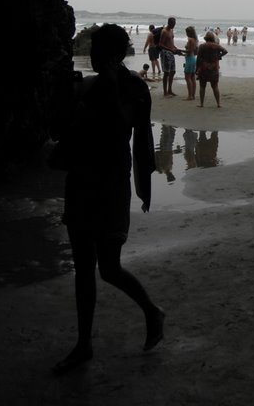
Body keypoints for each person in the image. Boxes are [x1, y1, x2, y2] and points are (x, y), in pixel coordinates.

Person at [50, 23, 164, 375]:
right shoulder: (84, 85)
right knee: (84, 268)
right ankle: (84, 344)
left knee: (109, 267)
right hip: (82, 181)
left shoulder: (133, 89)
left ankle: (151, 311)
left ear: (113, 54)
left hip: (112, 184)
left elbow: (140, 137)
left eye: (97, 50)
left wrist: (144, 187)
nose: (92, 56)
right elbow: (60, 129)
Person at [196, 31, 228, 107]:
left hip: (204, 68)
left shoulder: (202, 46)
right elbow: (225, 51)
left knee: (202, 86)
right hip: (214, 68)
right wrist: (218, 56)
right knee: (215, 86)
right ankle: (218, 104)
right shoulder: (216, 46)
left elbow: (198, 59)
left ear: (206, 38)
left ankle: (201, 104)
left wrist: (197, 69)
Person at [158, 17, 184, 97]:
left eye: (174, 24)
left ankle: (170, 90)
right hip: (165, 53)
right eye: (172, 24)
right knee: (166, 73)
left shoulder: (171, 31)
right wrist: (170, 49)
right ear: (169, 23)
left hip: (171, 53)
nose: (173, 25)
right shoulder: (164, 31)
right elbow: (161, 44)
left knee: (173, 71)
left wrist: (176, 49)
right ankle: (165, 92)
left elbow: (171, 43)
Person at [182, 26, 199, 101]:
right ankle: (193, 95)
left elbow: (189, 51)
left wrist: (179, 50)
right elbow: (194, 52)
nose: (186, 34)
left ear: (189, 32)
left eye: (186, 32)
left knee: (187, 77)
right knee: (192, 78)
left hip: (189, 59)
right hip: (193, 59)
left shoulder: (190, 40)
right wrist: (183, 54)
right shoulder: (195, 40)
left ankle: (190, 96)